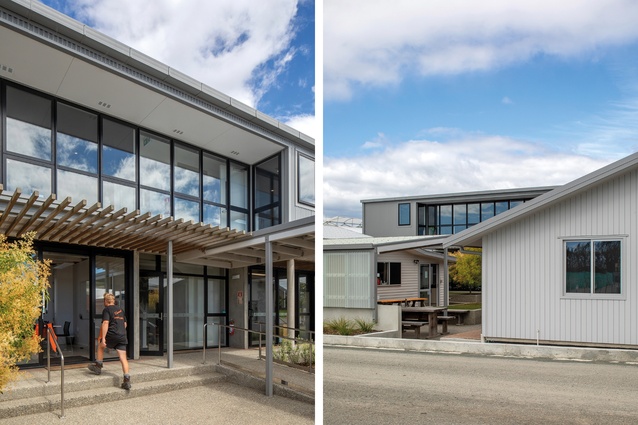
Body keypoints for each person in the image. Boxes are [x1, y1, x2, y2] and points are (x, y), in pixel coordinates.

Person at [88, 293, 131, 390]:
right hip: (122, 336)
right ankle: (126, 380)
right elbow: (125, 324)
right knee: (123, 358)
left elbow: (105, 323)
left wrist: (103, 338)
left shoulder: (107, 310)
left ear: (106, 301)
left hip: (112, 334)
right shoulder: (121, 310)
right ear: (113, 301)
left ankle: (98, 366)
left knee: (100, 345)